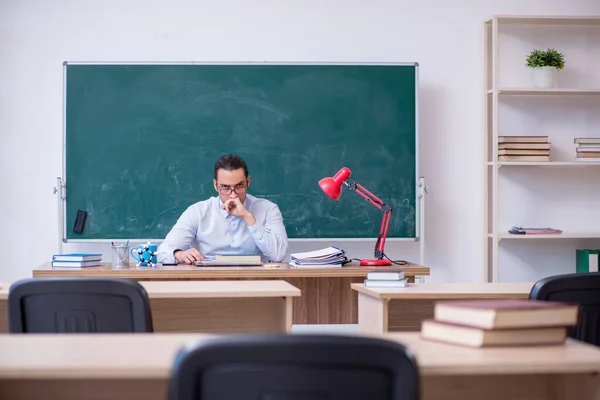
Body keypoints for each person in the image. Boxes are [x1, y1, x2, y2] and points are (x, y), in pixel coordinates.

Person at [157, 154, 289, 264]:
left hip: (255, 281)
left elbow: (278, 255)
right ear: (215, 185)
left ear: (248, 182)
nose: (233, 194)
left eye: (239, 186)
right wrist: (178, 254)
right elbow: (163, 251)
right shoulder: (198, 212)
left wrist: (248, 217)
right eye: (225, 187)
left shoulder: (268, 209)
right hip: (208, 282)